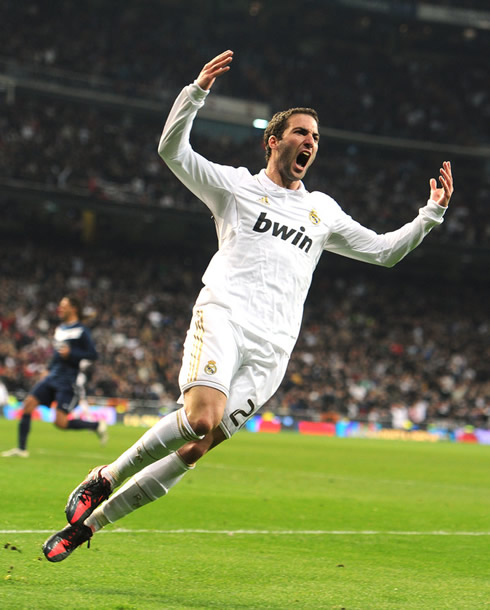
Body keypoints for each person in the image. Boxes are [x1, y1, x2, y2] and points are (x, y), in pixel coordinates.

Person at [42, 50, 453, 562]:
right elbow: (173, 151)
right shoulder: (236, 186)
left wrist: (430, 215)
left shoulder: (321, 211)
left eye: (317, 138)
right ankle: (104, 477)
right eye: (302, 133)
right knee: (199, 419)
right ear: (273, 140)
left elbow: (384, 251)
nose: (310, 142)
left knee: (195, 449)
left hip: (273, 350)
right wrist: (195, 93)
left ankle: (89, 527)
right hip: (225, 318)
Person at [2, 294, 106, 458]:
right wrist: (48, 369)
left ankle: (95, 425)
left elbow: (92, 354)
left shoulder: (82, 330)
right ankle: (21, 449)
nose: (60, 308)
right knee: (28, 404)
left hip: (68, 380)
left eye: (64, 305)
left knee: (60, 423)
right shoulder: (60, 329)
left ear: (74, 308)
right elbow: (57, 355)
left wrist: (72, 353)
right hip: (53, 376)